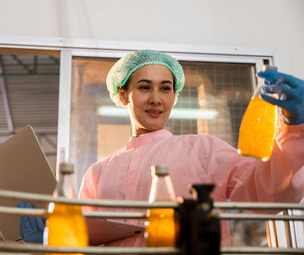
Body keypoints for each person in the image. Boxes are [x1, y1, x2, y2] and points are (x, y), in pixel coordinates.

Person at [20, 50, 304, 246]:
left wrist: (295, 127)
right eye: (144, 87)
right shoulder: (98, 173)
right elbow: (83, 240)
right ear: (123, 94)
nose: (156, 99)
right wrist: (51, 237)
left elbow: (267, 189)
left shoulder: (204, 150)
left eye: (165, 88)